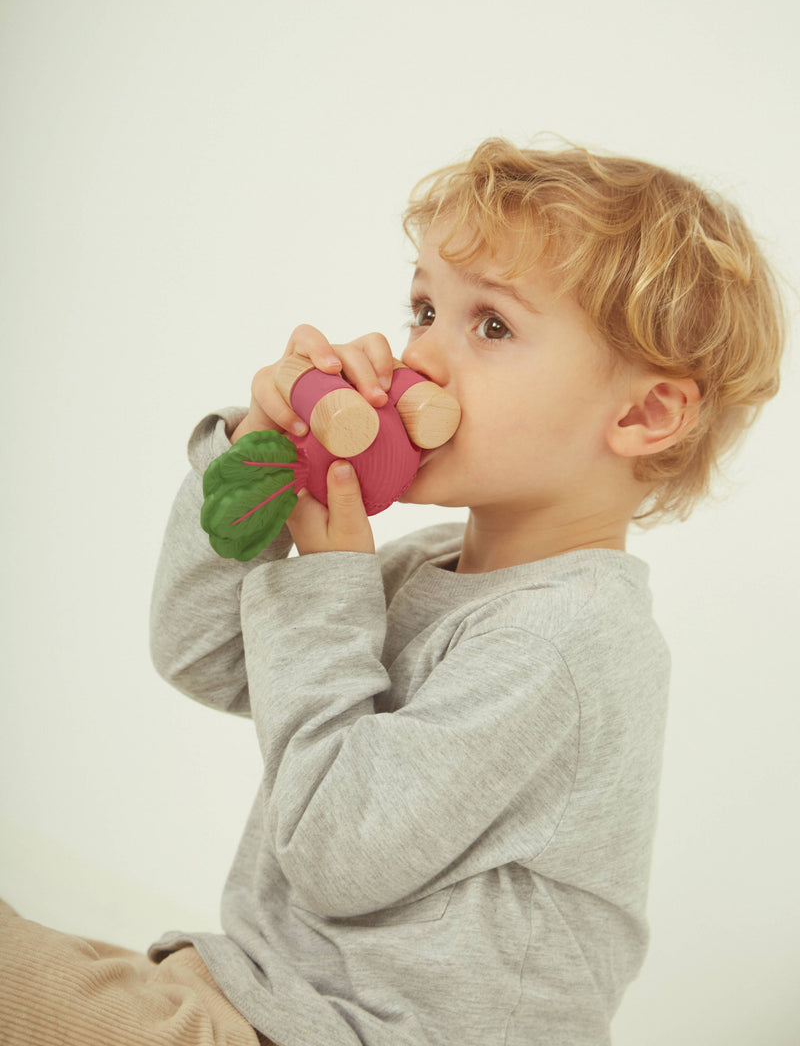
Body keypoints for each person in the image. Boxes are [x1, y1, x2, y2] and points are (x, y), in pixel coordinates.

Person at [0, 137, 786, 1046]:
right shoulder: (427, 566)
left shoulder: (570, 640)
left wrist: (331, 580)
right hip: (269, 998)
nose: (421, 357)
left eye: (489, 325)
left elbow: (340, 852)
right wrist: (256, 463)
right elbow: (201, 655)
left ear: (643, 415)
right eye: (422, 308)